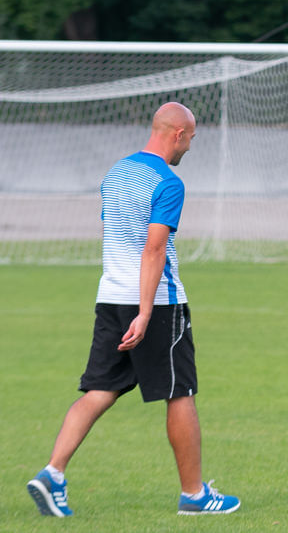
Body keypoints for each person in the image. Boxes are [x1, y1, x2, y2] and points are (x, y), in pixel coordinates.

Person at [26, 102, 240, 517]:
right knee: (180, 393)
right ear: (177, 134)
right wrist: (145, 312)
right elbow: (154, 247)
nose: (190, 147)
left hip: (110, 296)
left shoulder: (117, 171)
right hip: (156, 304)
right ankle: (195, 496)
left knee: (99, 390)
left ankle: (53, 472)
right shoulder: (168, 182)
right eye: (191, 138)